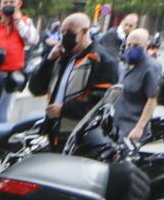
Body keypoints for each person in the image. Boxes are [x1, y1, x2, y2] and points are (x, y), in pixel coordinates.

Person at [31, 11, 119, 143]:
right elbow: (36, 88)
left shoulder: (102, 60)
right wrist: (48, 61)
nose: (65, 36)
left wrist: (64, 110)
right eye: (63, 32)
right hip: (53, 131)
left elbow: (101, 102)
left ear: (84, 32)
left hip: (79, 135)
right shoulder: (61, 57)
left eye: (69, 32)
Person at [114, 26, 159, 141]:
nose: (131, 48)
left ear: (146, 45)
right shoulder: (127, 65)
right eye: (129, 45)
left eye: (136, 45)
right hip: (119, 125)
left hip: (133, 128)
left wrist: (139, 128)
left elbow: (152, 99)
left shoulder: (151, 67)